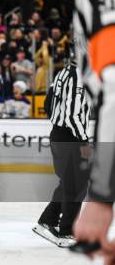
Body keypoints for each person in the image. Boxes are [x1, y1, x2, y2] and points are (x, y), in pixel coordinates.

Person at [37, 0, 115, 265]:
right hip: (70, 135)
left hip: (66, 134)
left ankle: (51, 222)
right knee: (73, 186)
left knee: (71, 185)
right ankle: (57, 224)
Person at [33, 62, 91, 247]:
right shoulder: (80, 76)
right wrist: (83, 140)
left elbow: (48, 103)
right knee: (77, 184)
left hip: (59, 133)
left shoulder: (63, 72)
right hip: (71, 136)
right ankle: (66, 231)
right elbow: (72, 115)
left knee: (68, 181)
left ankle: (47, 220)